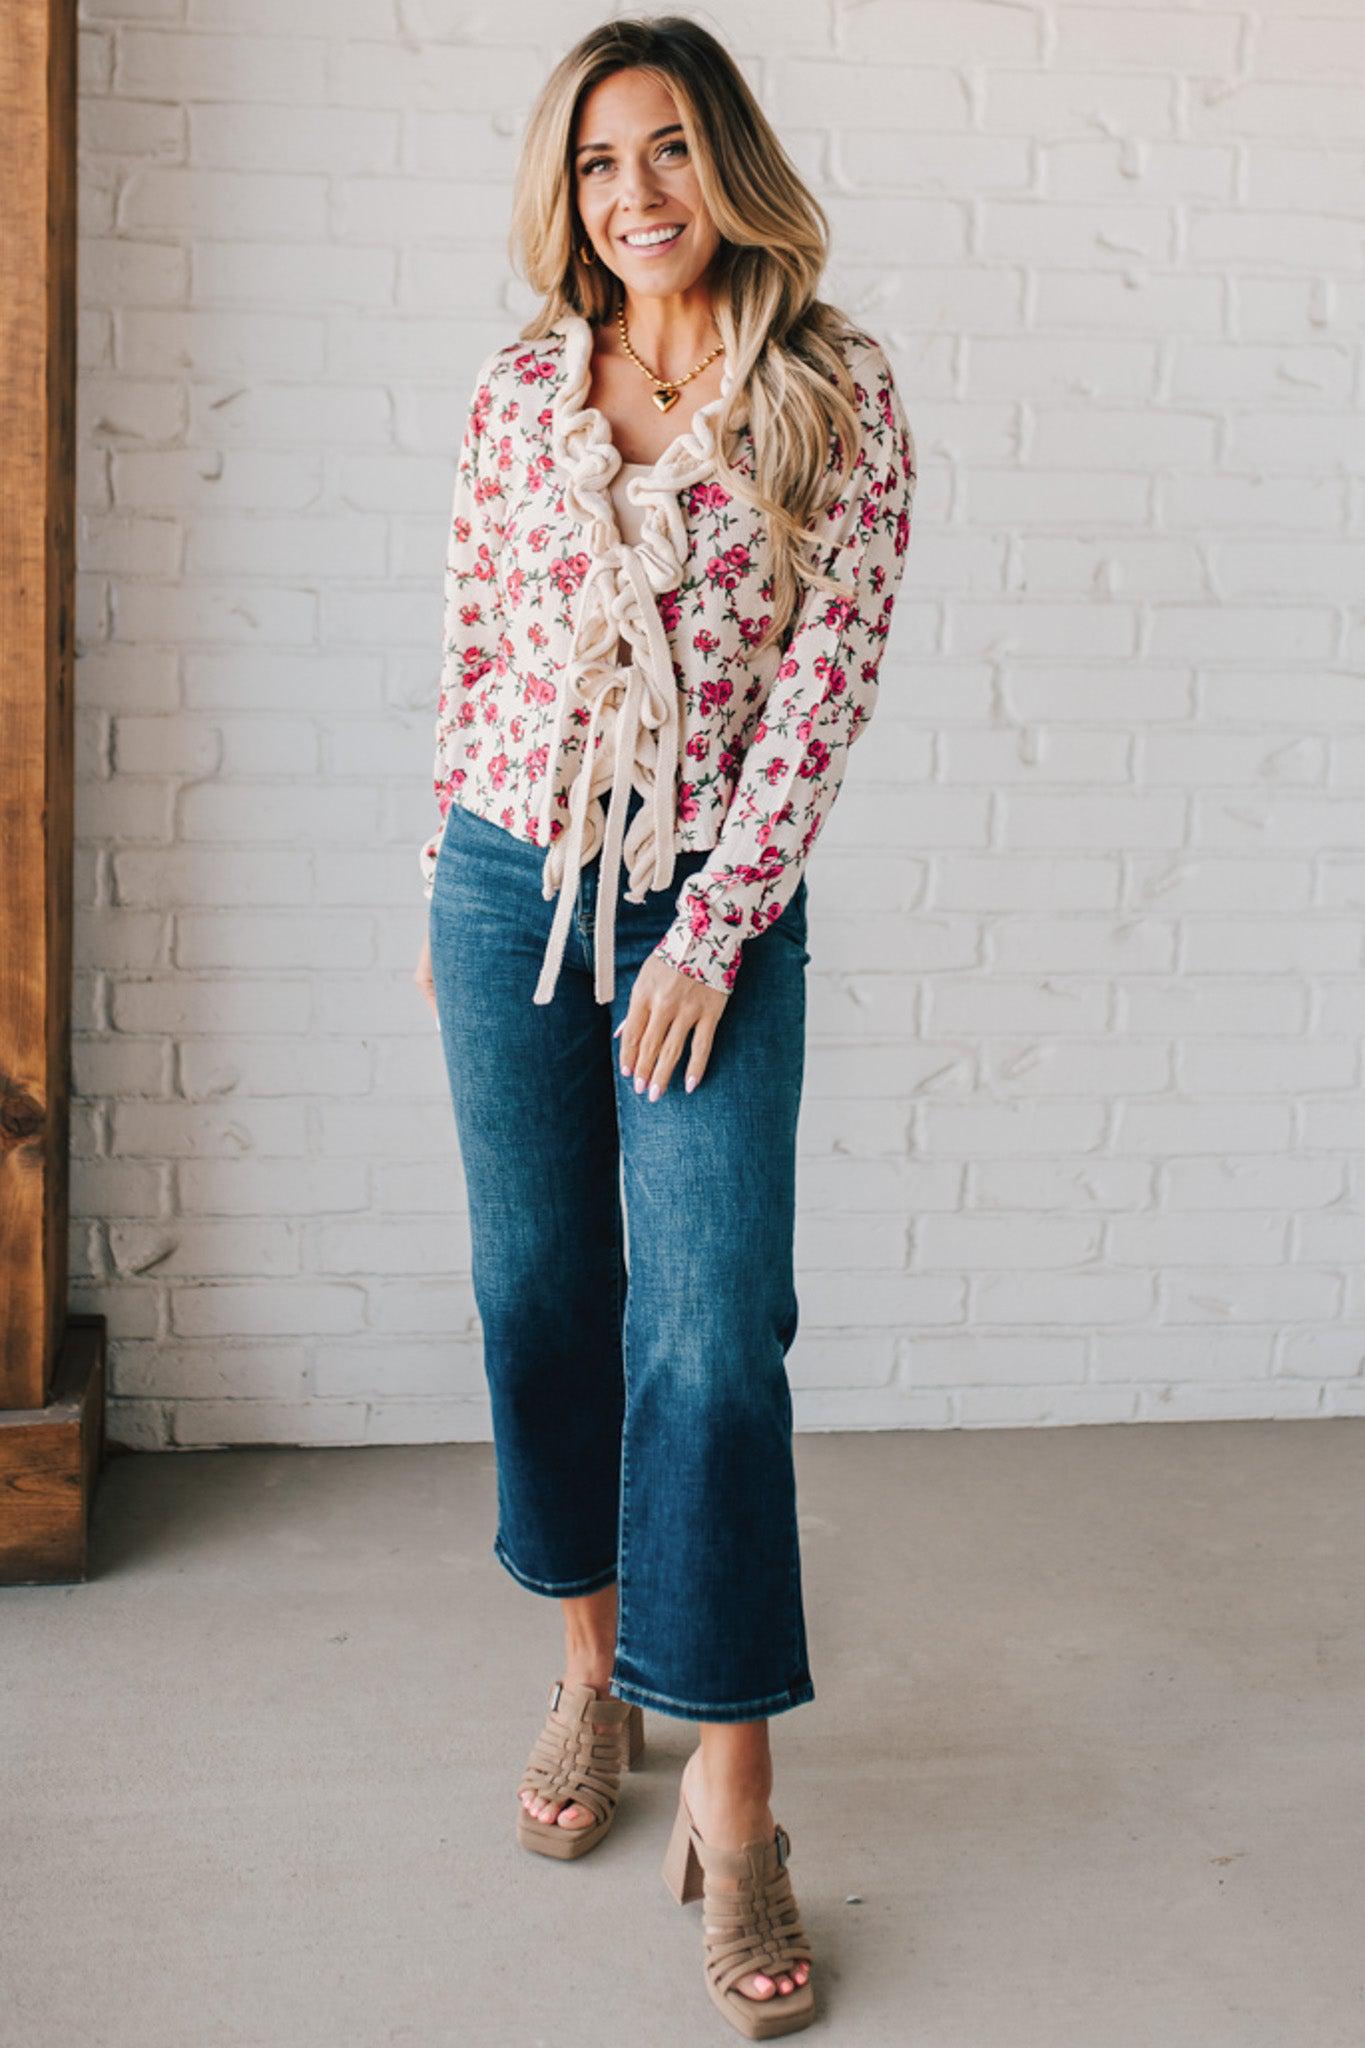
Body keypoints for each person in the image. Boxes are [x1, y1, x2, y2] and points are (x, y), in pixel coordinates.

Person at [412, 16, 916, 2038]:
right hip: (502, 890)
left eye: (674, 152)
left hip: (708, 909)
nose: (639, 194)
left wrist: (715, 921)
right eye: (603, 161)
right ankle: (587, 1672)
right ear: (568, 190)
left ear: (733, 166)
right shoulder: (523, 386)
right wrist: (439, 873)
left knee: (709, 1340)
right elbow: (467, 642)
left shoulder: (832, 390)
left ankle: (737, 1797)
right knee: (540, 1292)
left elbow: (828, 678)